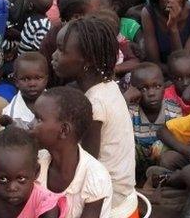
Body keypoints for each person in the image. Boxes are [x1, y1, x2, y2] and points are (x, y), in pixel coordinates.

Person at [52, 16, 138, 217]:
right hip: (122, 191)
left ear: (87, 60)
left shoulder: (94, 105)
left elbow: (86, 163)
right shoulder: (109, 88)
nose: (54, 56)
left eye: (61, 51)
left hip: (108, 202)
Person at [31, 87, 113, 217]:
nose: (31, 124)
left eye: (38, 119)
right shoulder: (35, 163)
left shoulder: (95, 176)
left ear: (64, 130)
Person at [0, 126, 67, 218]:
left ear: (36, 172)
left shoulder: (46, 205)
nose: (12, 188)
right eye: (3, 179)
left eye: (21, 178)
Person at [128, 63, 181, 174]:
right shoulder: (130, 111)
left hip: (162, 161)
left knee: (164, 148)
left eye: (157, 86)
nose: (151, 93)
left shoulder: (174, 111)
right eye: (144, 88)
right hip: (136, 163)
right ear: (134, 90)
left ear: (164, 86)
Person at [2, 52, 49, 128]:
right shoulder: (11, 115)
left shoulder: (56, 102)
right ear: (16, 81)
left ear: (46, 79)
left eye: (38, 78)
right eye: (26, 79)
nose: (32, 84)